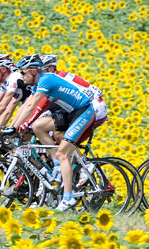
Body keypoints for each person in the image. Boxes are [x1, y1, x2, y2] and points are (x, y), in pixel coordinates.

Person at [11, 54, 95, 211]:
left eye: (23, 72)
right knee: (38, 127)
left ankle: (68, 198)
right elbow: (26, 104)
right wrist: (12, 126)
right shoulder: (38, 84)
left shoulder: (46, 79)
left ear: (33, 71)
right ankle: (56, 165)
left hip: (84, 111)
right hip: (70, 112)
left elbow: (31, 107)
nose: (21, 76)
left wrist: (15, 128)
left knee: (63, 153)